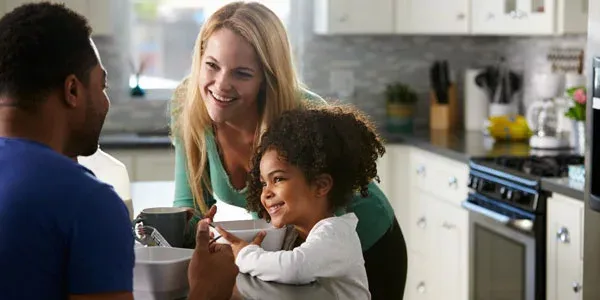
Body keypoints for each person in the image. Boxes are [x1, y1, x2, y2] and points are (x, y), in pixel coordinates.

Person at [0, 3, 238, 300]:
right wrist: (207, 290)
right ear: (72, 91)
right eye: (102, 86)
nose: (105, 103)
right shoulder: (88, 203)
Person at [171, 2, 408, 298]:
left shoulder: (305, 114)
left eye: (242, 74)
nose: (221, 84)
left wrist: (248, 256)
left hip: (366, 240)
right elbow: (189, 210)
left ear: (266, 78)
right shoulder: (188, 104)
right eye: (212, 65)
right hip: (295, 252)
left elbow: (317, 238)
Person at [216, 104, 382, 300]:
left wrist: (245, 254)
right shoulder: (293, 233)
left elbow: (294, 268)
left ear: (320, 185)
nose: (266, 193)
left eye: (277, 179)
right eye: (263, 183)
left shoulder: (336, 233)